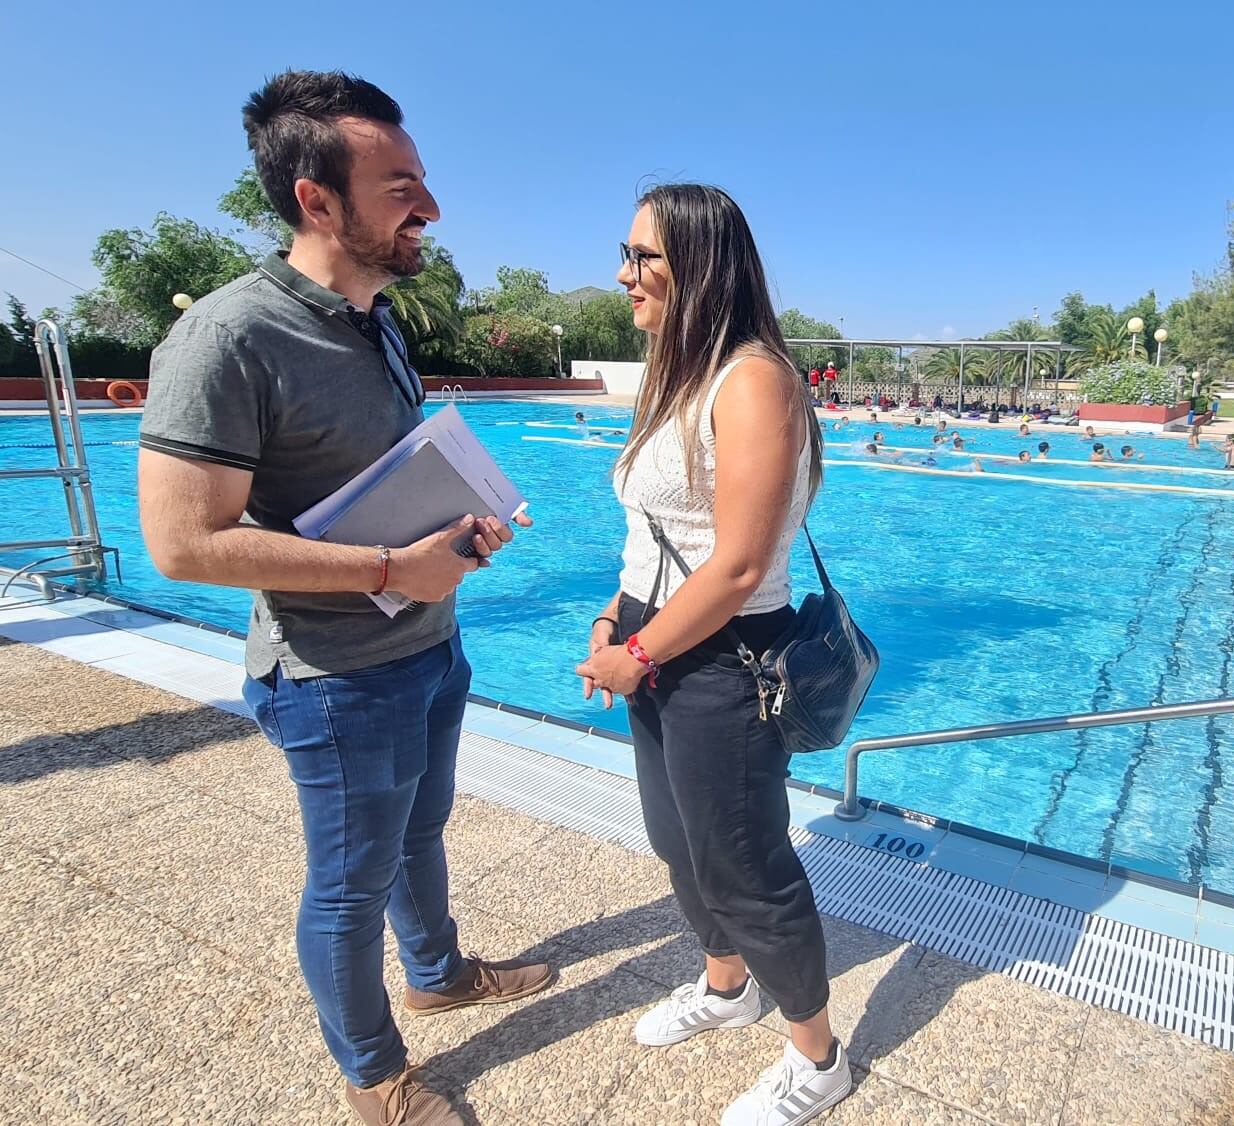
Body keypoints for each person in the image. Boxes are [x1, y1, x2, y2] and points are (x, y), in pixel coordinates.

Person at [137, 71, 551, 1126]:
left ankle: (438, 969)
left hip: (426, 642)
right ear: (316, 200)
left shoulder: (380, 323)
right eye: (401, 184)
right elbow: (182, 544)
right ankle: (374, 1077)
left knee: (422, 830)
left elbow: (373, 488)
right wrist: (384, 572)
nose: (431, 208)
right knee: (348, 880)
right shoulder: (228, 337)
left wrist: (454, 534)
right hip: (331, 677)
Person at [576, 183, 850, 1125]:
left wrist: (638, 653)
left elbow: (735, 565)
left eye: (644, 257)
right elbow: (659, 532)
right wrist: (615, 618)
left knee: (745, 862)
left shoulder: (754, 380)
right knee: (678, 843)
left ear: (702, 264)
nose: (624, 274)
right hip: (660, 647)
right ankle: (729, 987)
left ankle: (818, 1060)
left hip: (722, 663)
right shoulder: (681, 378)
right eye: (628, 253)